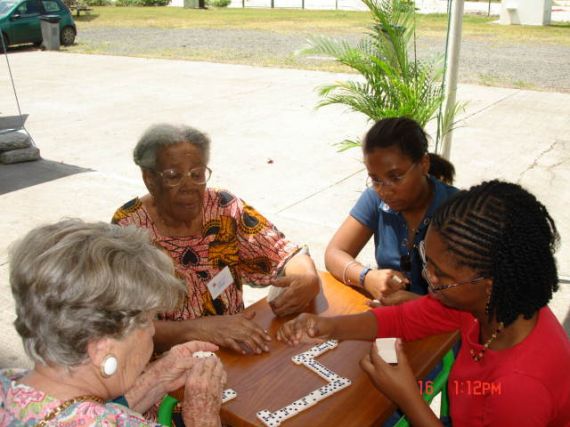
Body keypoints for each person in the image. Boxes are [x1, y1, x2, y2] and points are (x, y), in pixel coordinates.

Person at [278, 180, 570, 426]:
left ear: (488, 284)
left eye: (440, 274)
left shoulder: (520, 388)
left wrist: (407, 395)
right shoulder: (491, 309)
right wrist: (328, 327)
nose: (427, 277)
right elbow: (405, 318)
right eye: (426, 259)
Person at [112, 123, 320, 355]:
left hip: (234, 346)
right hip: (170, 363)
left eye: (197, 174)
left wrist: (307, 278)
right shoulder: (129, 228)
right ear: (149, 179)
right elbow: (127, 329)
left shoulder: (223, 207)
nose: (189, 186)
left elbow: (284, 253)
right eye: (173, 176)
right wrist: (199, 329)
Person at [0, 219, 226, 426]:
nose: (153, 330)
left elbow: (82, 413)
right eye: (147, 321)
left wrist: (156, 378)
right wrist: (203, 418)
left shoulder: (10, 386)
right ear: (101, 349)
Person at [325, 117, 458, 306]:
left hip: (446, 328)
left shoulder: (459, 210)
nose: (384, 190)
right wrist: (367, 277)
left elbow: (478, 296)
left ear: (424, 164)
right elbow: (334, 253)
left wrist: (421, 305)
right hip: (390, 320)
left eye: (396, 177)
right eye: (375, 179)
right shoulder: (375, 199)